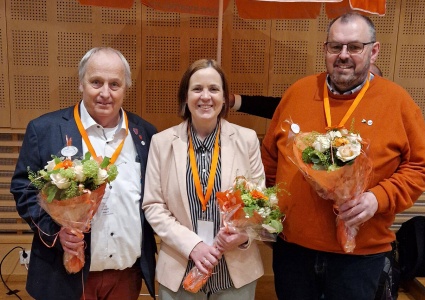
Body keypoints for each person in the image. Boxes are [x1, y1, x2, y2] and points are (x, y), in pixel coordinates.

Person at [261, 12, 425, 300]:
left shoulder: (398, 102)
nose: (343, 55)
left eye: (354, 47)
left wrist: (377, 198)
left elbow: (420, 168)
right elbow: (269, 160)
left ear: (373, 50)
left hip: (359, 257)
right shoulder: (298, 93)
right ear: (325, 49)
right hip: (293, 253)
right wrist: (270, 210)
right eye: (335, 46)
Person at [10, 47, 158, 300]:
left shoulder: (146, 134)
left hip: (126, 275)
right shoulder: (45, 130)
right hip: (64, 273)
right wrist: (55, 232)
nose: (105, 93)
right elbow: (25, 188)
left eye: (115, 84)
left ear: (126, 87)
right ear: (81, 83)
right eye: (96, 82)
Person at [142, 59, 264, 299]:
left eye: (214, 89)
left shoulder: (247, 140)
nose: (205, 96)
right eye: (197, 89)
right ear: (185, 96)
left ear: (224, 97)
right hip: (180, 269)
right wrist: (193, 246)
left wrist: (243, 236)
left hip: (236, 272)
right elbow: (153, 205)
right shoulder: (162, 143)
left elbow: (260, 204)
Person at [230, 63, 382, 119]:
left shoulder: (382, 113)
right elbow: (278, 108)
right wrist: (233, 100)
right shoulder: (323, 103)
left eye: (368, 78)